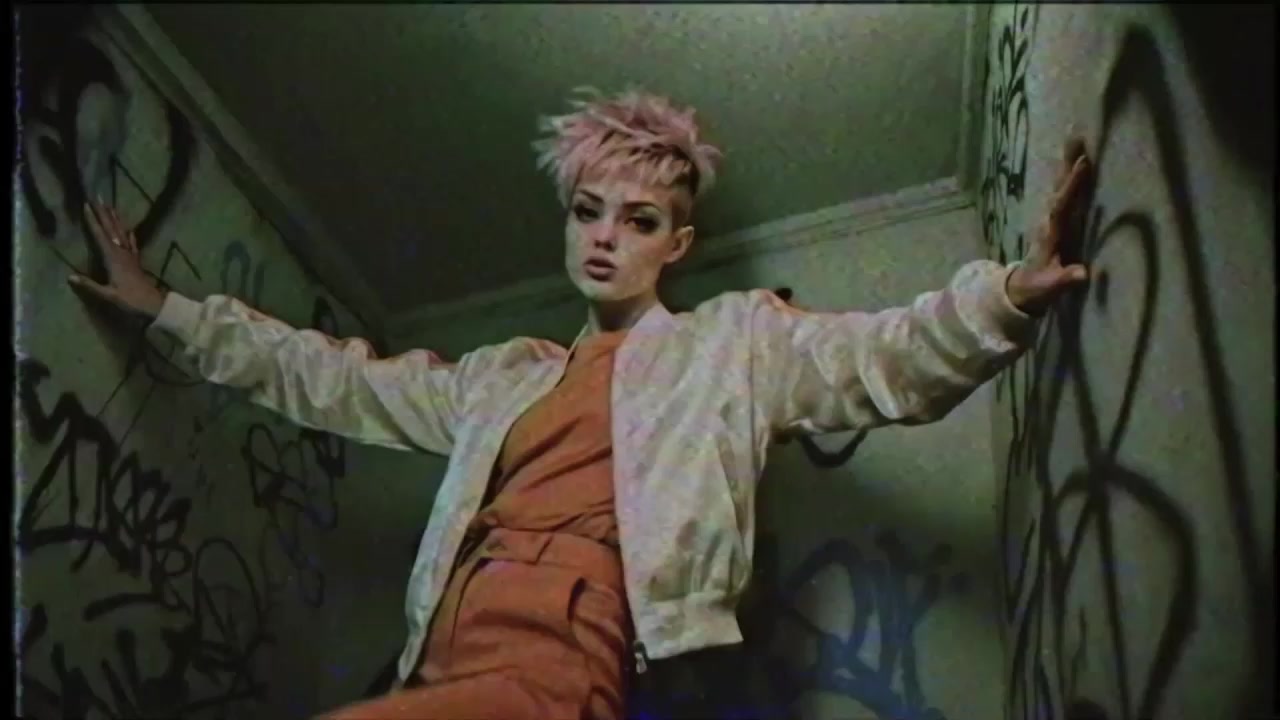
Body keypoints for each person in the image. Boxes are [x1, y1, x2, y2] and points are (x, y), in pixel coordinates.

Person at [69, 88, 1092, 720]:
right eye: (587, 211)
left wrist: (1008, 294)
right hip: (440, 648)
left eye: (638, 220)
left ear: (675, 245)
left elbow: (880, 358)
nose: (605, 236)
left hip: (563, 648)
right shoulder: (501, 377)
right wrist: (166, 309)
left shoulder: (726, 346)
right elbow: (334, 378)